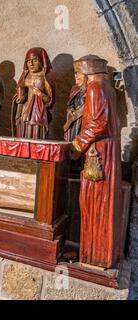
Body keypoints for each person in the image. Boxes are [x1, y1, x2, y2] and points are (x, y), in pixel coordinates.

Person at [70, 55, 123, 268]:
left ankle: (93, 253)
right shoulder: (107, 87)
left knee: (93, 200)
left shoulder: (95, 88)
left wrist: (77, 144)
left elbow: (98, 122)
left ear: (87, 72)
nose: (75, 78)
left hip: (98, 152)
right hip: (107, 149)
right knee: (99, 202)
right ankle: (97, 252)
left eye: (76, 73)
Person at [12, 47, 55, 139]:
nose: (31, 64)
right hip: (23, 112)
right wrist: (19, 98)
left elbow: (50, 101)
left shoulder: (45, 77)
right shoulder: (25, 76)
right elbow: (17, 94)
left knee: (35, 136)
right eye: (28, 61)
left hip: (37, 115)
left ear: (41, 61)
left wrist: (40, 94)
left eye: (34, 60)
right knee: (22, 135)